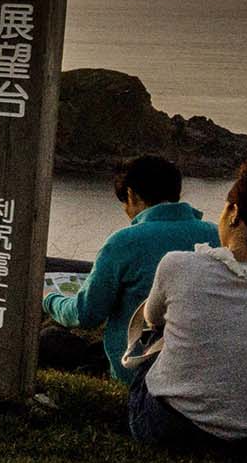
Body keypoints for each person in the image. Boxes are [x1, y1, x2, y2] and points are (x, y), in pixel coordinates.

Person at [122, 167, 247, 456]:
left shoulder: (178, 265)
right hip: (246, 441)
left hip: (167, 429)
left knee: (156, 343)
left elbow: (151, 320)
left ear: (234, 213)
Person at [43, 156, 219, 383]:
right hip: (198, 368)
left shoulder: (124, 242)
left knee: (51, 342)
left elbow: (86, 314)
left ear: (130, 194)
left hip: (138, 370)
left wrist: (48, 299)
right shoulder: (215, 235)